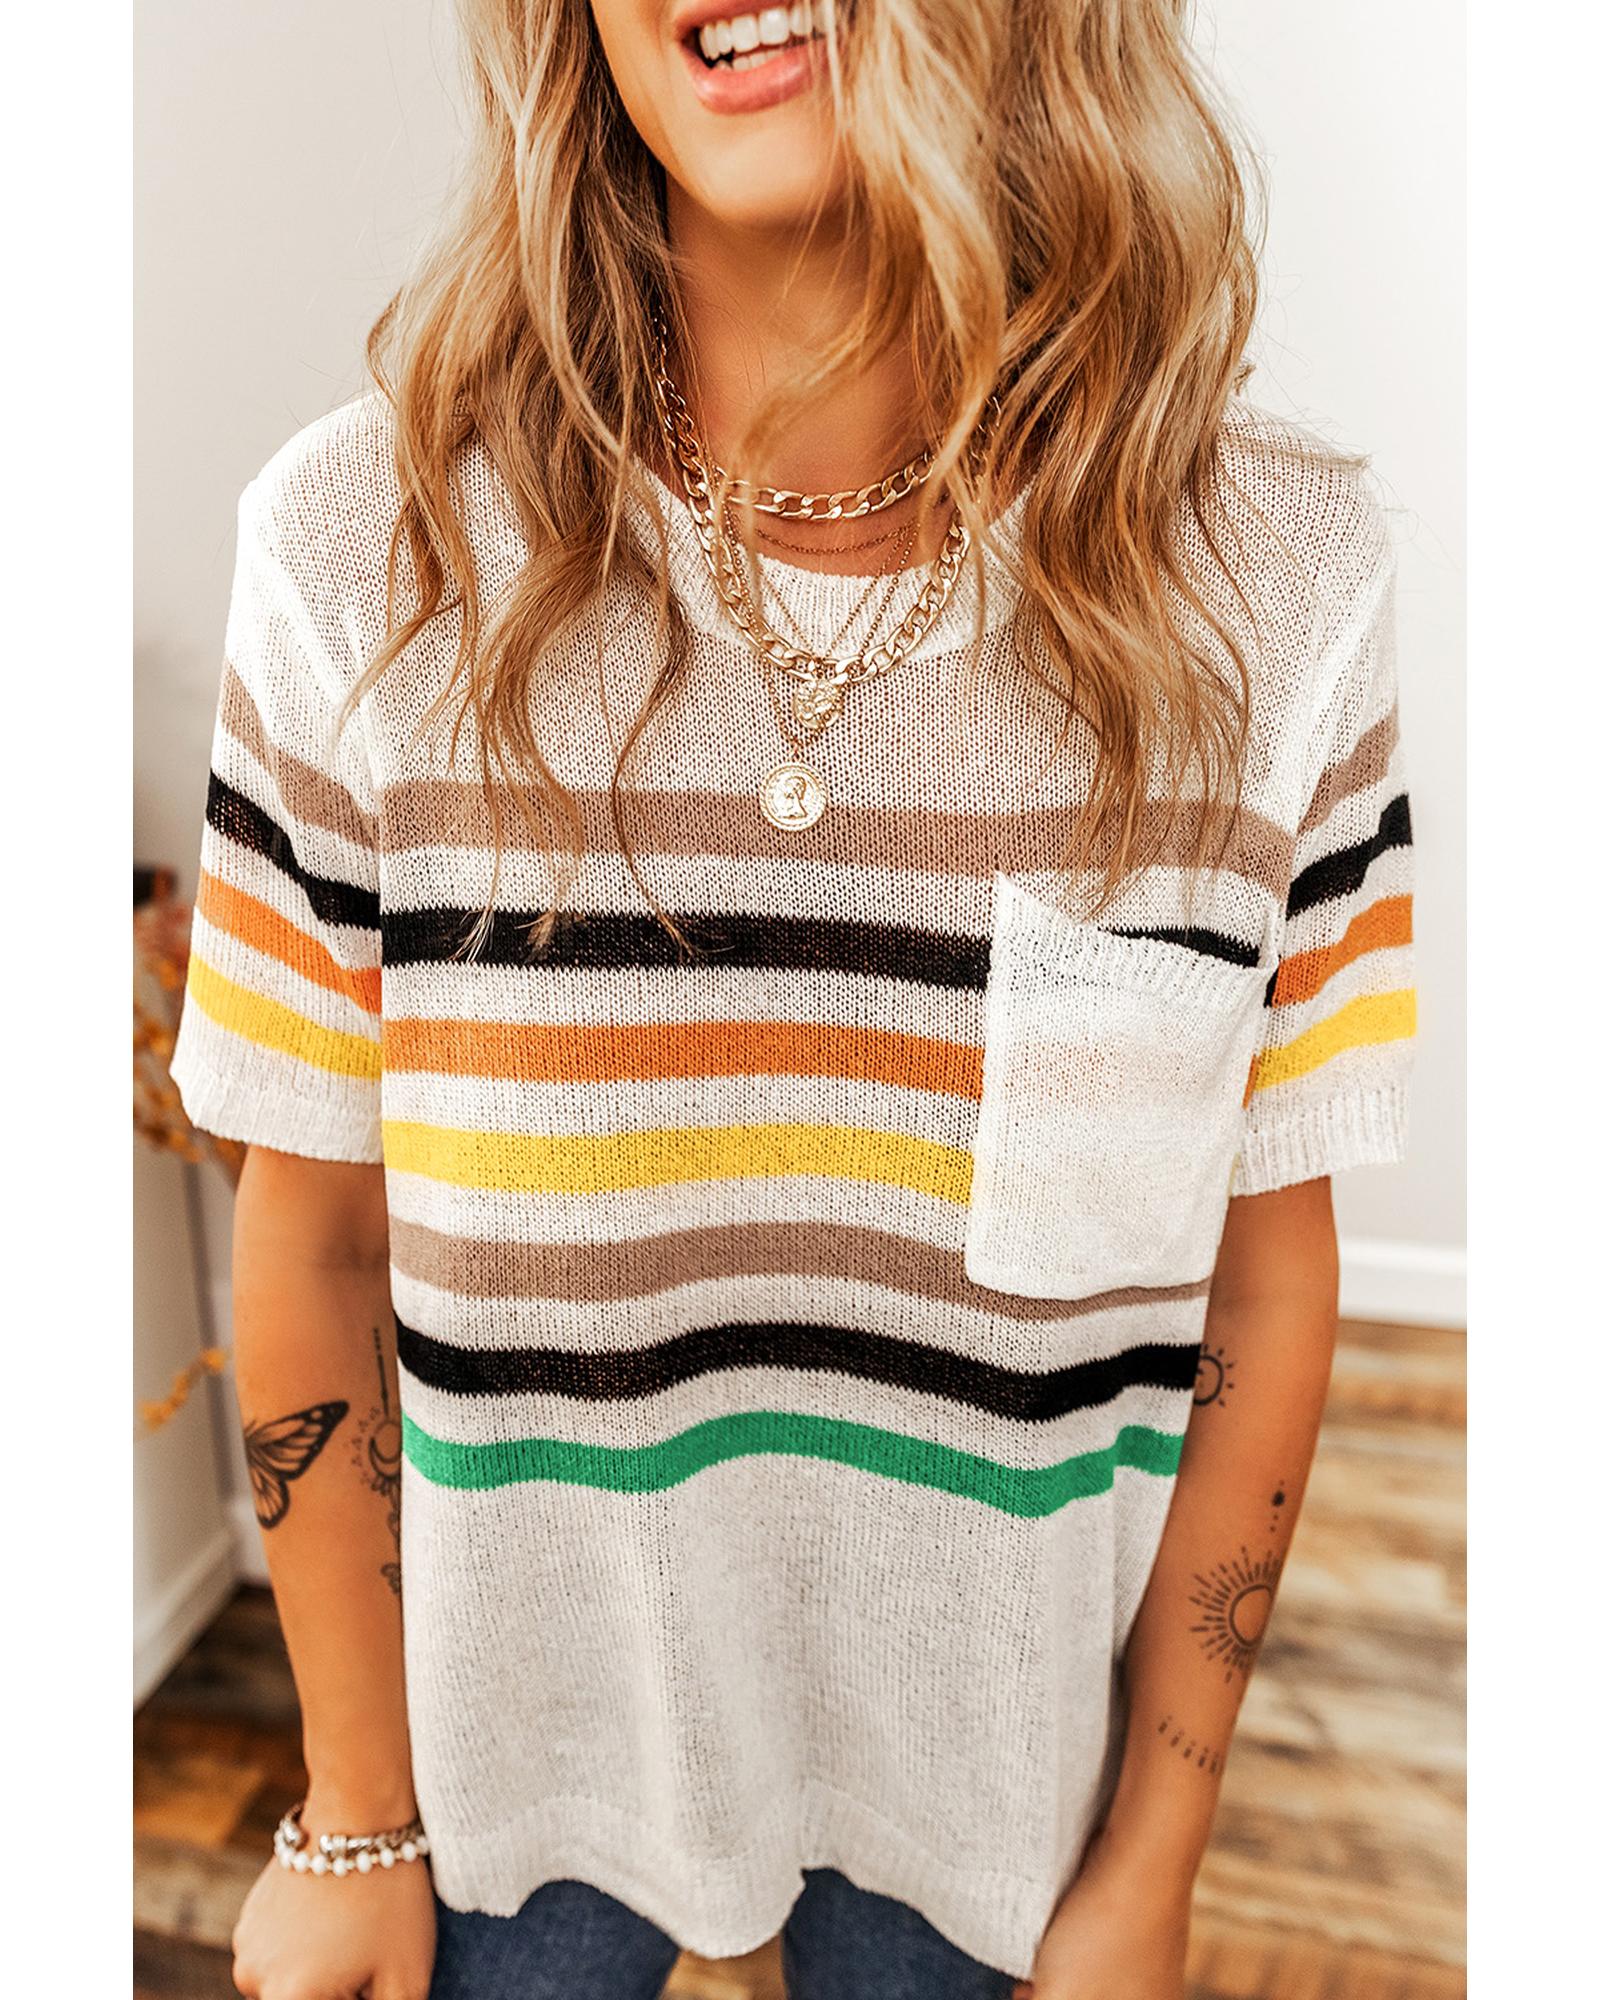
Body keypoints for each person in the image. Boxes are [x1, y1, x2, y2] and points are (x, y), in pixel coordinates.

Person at [170, 3, 1418, 1996]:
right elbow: (311, 1235)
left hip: (993, 1793)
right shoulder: (363, 555)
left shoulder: (1273, 582)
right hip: (511, 1771)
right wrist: (353, 1806)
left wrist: (1152, 1860)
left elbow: (1263, 1288)